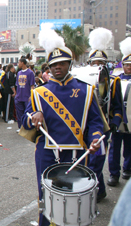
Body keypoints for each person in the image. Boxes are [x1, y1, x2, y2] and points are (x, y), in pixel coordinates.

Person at [22, 25, 103, 226]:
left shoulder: (86, 90)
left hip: (76, 152)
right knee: (45, 195)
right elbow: (24, 120)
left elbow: (95, 121)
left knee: (75, 197)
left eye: (62, 63)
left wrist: (95, 138)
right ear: (48, 68)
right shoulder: (39, 92)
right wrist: (33, 115)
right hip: (47, 152)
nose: (57, 67)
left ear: (69, 64)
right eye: (53, 65)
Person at [84, 28, 121, 202]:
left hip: (103, 126)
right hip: (85, 125)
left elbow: (118, 106)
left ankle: (95, 192)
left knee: (97, 160)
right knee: (87, 159)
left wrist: (115, 121)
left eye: (100, 62)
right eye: (94, 62)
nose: (97, 65)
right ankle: (100, 190)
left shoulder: (113, 82)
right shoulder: (82, 80)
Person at [107, 37, 131, 187]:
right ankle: (113, 174)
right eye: (127, 65)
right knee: (114, 148)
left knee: (129, 146)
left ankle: (127, 168)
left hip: (130, 118)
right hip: (117, 118)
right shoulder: (115, 79)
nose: (129, 67)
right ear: (123, 65)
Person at [14, 58, 35, 131]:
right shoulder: (19, 73)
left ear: (22, 63)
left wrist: (31, 95)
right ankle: (20, 127)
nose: (18, 64)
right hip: (19, 96)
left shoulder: (30, 73)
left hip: (26, 97)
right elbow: (17, 85)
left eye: (19, 62)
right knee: (19, 113)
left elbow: (32, 85)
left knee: (27, 113)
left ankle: (28, 127)